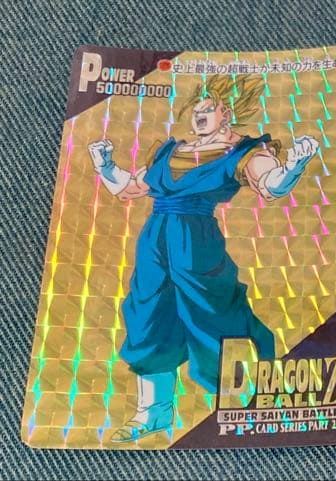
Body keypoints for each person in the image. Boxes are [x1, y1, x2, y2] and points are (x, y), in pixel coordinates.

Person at [87, 75, 319, 442]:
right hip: (155, 242)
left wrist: (293, 167)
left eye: (208, 109)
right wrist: (104, 165)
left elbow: (271, 186)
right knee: (148, 315)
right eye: (196, 109)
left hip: (197, 243)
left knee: (212, 314)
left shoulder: (244, 151)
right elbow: (131, 188)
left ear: (227, 113)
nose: (198, 115)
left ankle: (238, 401)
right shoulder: (170, 150)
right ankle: (154, 412)